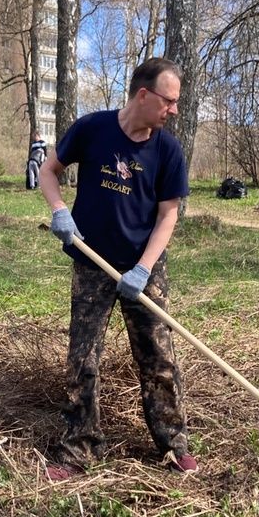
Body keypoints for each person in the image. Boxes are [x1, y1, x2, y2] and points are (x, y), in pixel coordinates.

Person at [38, 56, 196, 481]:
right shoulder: (92, 129)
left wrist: (143, 269)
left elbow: (168, 216)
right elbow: (48, 171)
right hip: (92, 262)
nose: (174, 110)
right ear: (143, 95)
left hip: (143, 268)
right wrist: (59, 210)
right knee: (82, 359)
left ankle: (172, 443)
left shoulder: (167, 149)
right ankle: (78, 448)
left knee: (158, 359)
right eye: (169, 101)